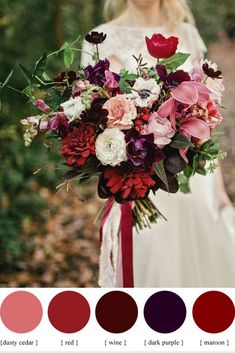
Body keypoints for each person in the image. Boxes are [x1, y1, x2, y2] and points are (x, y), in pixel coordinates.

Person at [81, 0, 235, 287]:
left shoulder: (187, 34)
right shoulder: (99, 39)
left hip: (192, 177)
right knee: (150, 263)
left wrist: (219, 187)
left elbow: (204, 117)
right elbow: (93, 116)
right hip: (141, 185)